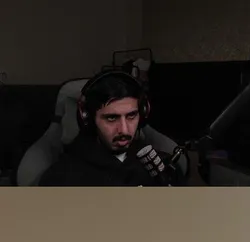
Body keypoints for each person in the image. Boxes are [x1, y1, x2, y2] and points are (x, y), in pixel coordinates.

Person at [39, 70, 177, 186]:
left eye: (131, 116)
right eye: (111, 118)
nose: (124, 130)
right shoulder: (62, 177)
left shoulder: (162, 166)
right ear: (87, 117)